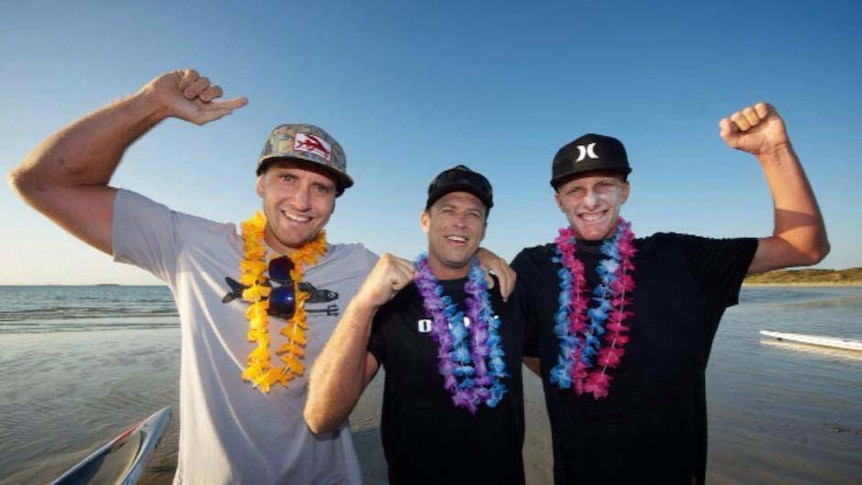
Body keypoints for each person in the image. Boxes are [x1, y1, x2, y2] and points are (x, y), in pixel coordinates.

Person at [7, 70, 514, 484]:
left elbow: (427, 269)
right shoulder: (188, 245)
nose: (302, 200)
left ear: (335, 201)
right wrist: (148, 104)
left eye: (321, 188)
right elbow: (42, 182)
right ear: (259, 183)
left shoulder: (357, 264)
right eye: (287, 179)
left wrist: (478, 251)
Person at [511, 102, 829, 485]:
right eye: (575, 190)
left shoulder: (683, 257)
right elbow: (524, 346)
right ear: (558, 201)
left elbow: (804, 246)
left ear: (624, 191)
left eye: (604, 186)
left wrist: (772, 151)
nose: (590, 201)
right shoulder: (532, 267)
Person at [305, 165, 530, 485]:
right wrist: (363, 303)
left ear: (484, 229)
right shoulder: (394, 300)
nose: (460, 221)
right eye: (448, 209)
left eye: (473, 214)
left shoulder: (509, 290)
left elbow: (544, 358)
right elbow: (321, 417)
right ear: (425, 220)